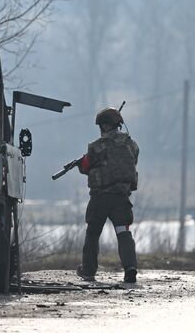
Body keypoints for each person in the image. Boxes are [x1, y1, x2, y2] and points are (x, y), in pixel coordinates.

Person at [76, 107, 139, 283]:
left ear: (104, 126)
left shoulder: (96, 146)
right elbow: (131, 161)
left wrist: (83, 162)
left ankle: (88, 271)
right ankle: (130, 268)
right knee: (123, 232)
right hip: (121, 197)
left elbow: (86, 167)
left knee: (93, 233)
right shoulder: (132, 145)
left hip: (100, 198)